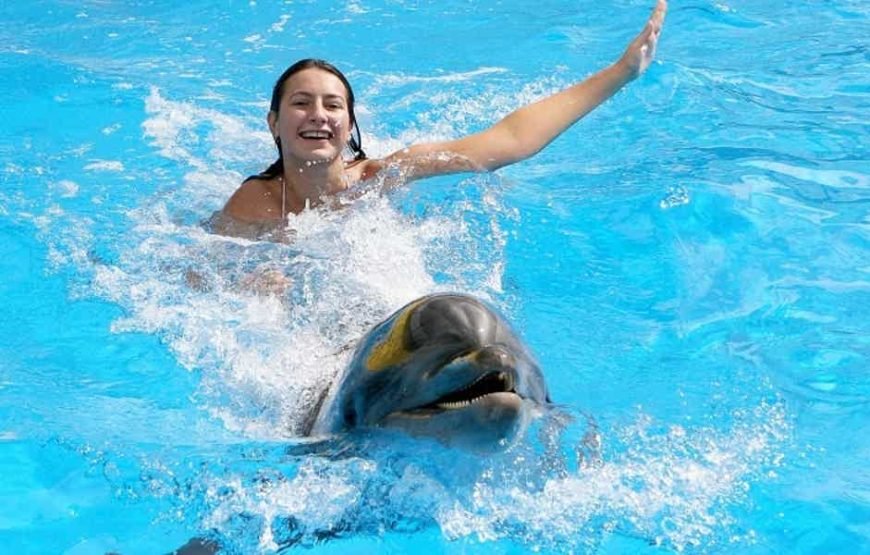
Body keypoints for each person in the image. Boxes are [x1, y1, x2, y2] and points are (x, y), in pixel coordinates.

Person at [211, 0, 666, 239]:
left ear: (349, 125)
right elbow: (197, 274)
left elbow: (508, 141)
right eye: (301, 103)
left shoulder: (379, 178)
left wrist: (621, 73)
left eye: (333, 106)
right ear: (273, 123)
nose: (318, 116)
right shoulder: (255, 204)